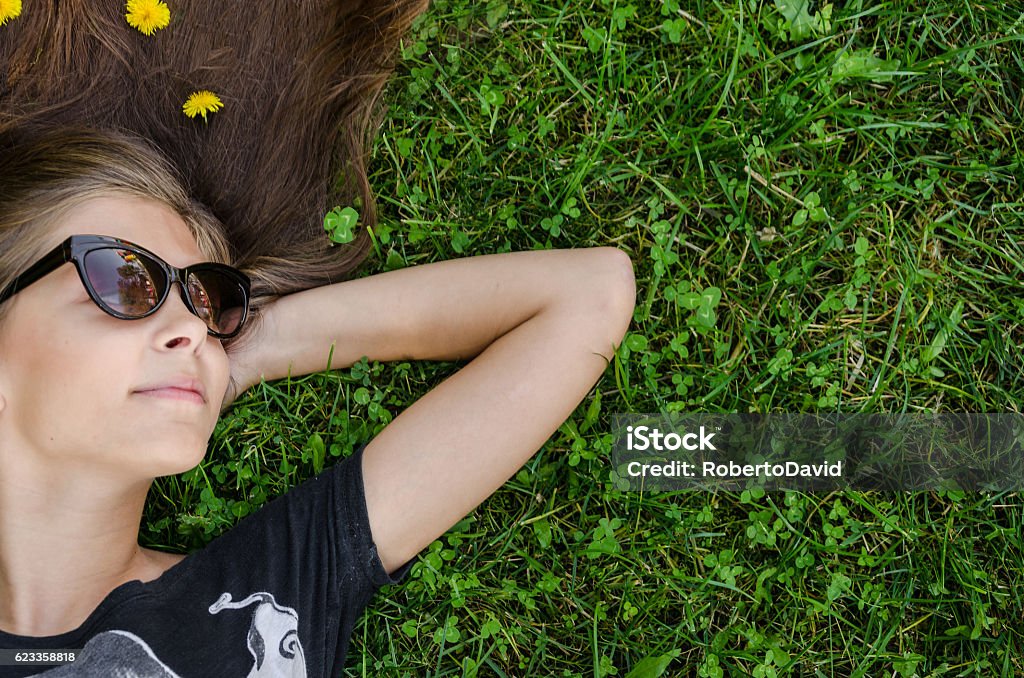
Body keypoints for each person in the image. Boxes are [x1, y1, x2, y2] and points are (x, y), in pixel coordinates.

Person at [0, 4, 636, 675]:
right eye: (127, 281)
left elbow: (586, 295)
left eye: (210, 300)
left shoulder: (264, 600)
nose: (190, 326)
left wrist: (246, 350)